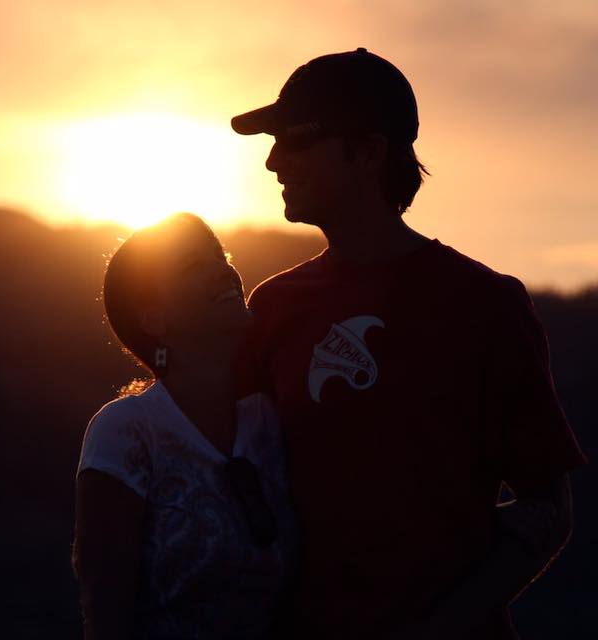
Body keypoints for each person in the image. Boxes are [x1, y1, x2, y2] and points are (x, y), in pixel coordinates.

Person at [229, 47, 588, 639]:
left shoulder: (486, 304)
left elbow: (548, 507)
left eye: (295, 140)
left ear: (370, 152)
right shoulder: (272, 308)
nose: (273, 161)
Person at [72, 213, 298, 639]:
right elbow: (104, 609)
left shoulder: (271, 421)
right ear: (154, 320)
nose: (223, 271)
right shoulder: (126, 432)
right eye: (194, 266)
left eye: (221, 256)